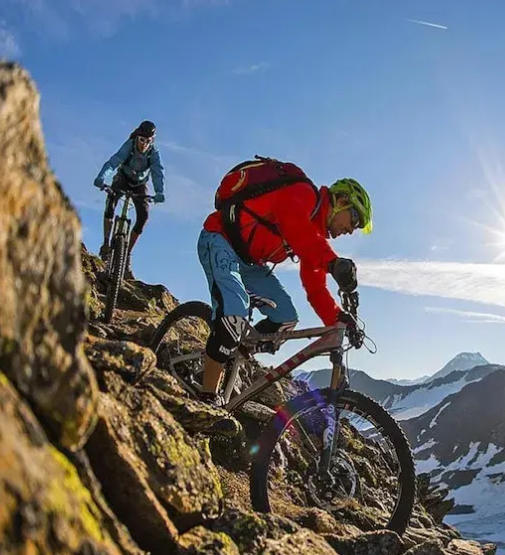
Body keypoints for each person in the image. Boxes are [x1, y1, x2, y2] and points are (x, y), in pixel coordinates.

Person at [197, 157, 372, 398]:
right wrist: (332, 263)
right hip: (219, 240)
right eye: (354, 219)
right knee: (234, 313)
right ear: (341, 200)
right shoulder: (304, 193)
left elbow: (316, 288)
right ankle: (207, 398)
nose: (351, 230)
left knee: (286, 318)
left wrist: (339, 318)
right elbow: (294, 225)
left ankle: (232, 351)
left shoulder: (313, 237)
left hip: (249, 264)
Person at [93, 120, 166, 278]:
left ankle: (126, 256)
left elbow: (157, 172)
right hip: (123, 179)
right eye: (141, 140)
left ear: (152, 141)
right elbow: (114, 162)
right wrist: (101, 177)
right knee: (111, 202)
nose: (143, 144)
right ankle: (106, 244)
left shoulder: (153, 153)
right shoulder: (129, 146)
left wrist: (159, 191)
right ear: (137, 137)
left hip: (139, 184)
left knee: (144, 215)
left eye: (147, 141)